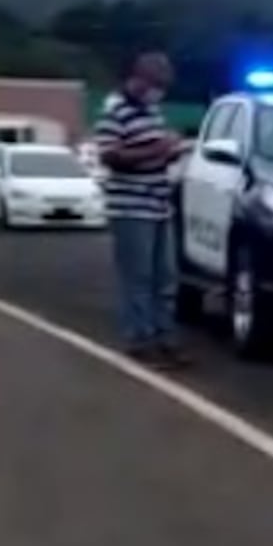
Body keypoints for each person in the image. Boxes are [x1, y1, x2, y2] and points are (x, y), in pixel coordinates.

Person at [95, 53, 189, 367]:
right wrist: (155, 150)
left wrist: (171, 152)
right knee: (138, 276)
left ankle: (165, 337)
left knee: (165, 276)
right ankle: (139, 338)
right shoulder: (114, 111)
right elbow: (109, 156)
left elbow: (157, 153)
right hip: (131, 205)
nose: (157, 92)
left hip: (159, 203)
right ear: (139, 78)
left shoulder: (153, 112)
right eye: (155, 85)